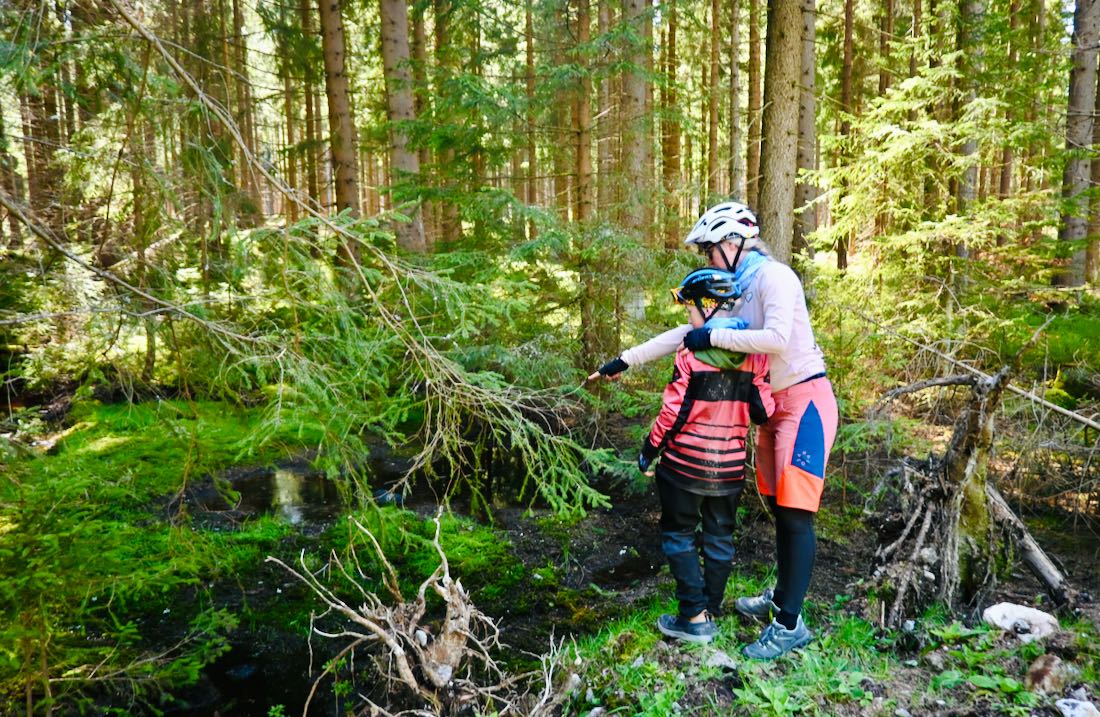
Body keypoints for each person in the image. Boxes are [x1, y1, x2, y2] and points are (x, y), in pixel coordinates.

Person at [591, 201, 838, 660]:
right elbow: (690, 336)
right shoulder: (738, 288)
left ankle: (789, 624)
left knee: (798, 512)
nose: (706, 259)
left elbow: (778, 338)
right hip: (772, 407)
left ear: (732, 242)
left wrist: (715, 337)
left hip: (805, 401)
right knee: (781, 508)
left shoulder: (774, 277)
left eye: (709, 250)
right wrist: (627, 358)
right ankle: (784, 596)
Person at [639, 268, 773, 645]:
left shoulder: (691, 354)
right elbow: (764, 410)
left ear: (709, 307)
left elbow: (672, 412)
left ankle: (694, 618)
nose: (688, 317)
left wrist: (650, 450)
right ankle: (710, 609)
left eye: (691, 309)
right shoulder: (753, 356)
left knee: (678, 535)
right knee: (719, 537)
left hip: (684, 465)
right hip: (728, 468)